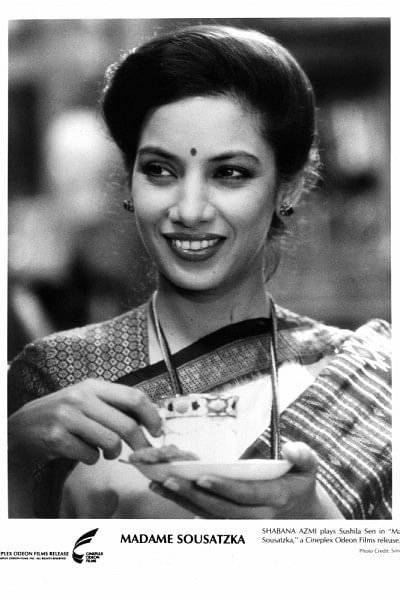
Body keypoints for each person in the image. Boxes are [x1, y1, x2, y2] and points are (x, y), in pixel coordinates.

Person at [8, 25, 391, 519]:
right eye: (160, 171)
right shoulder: (54, 378)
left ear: (288, 189)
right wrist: (12, 455)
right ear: (130, 181)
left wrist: (318, 525)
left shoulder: (374, 383)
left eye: (230, 173)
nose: (189, 210)